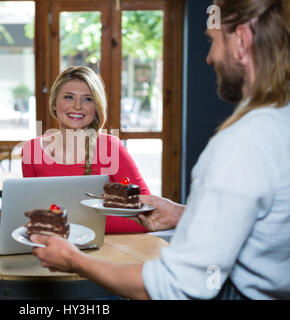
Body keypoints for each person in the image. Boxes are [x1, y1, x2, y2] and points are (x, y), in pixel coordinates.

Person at [31, 0, 290, 299]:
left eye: (213, 41)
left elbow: (176, 286)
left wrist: (74, 260)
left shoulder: (242, 143)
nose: (209, 58)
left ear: (241, 39)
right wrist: (182, 214)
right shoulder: (277, 125)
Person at [22, 66, 151, 233]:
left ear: (96, 108)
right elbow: (34, 212)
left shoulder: (111, 148)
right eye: (68, 97)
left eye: (88, 99)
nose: (77, 106)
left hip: (107, 250)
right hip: (53, 249)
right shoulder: (31, 150)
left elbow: (146, 213)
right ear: (54, 104)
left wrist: (74, 225)